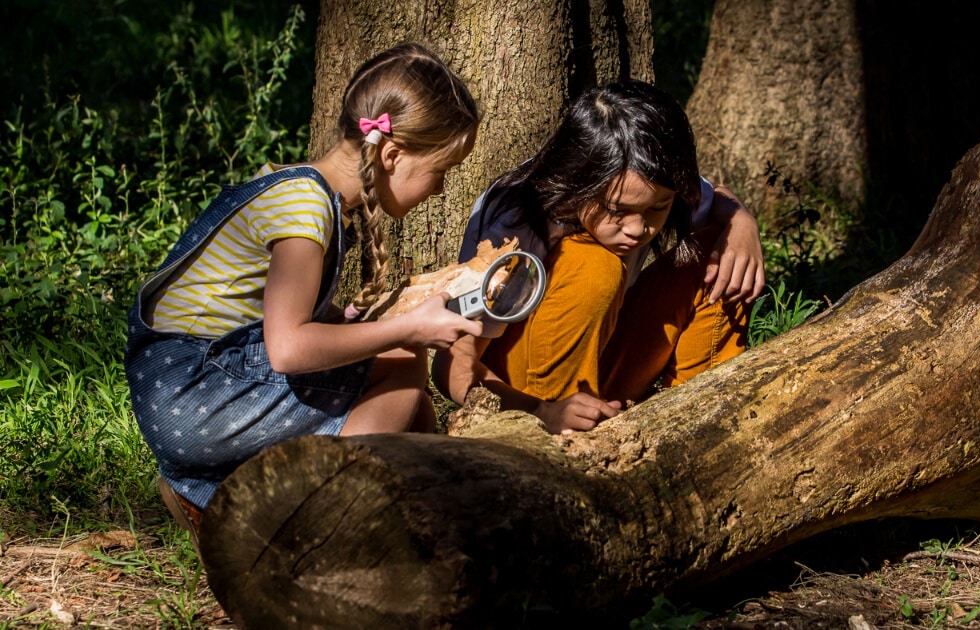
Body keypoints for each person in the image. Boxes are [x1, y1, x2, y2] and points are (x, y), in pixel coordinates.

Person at [124, 43, 483, 535]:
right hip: (193, 391)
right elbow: (289, 349)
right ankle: (317, 526)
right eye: (440, 173)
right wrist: (408, 328)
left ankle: (212, 498)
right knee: (402, 363)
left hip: (179, 392)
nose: (440, 190)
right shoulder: (305, 211)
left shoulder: (293, 187)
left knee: (414, 411)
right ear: (393, 155)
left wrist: (360, 322)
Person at [432, 80, 764, 435]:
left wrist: (741, 222)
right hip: (531, 397)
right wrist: (539, 412)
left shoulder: (651, 175)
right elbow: (453, 363)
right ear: (577, 181)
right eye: (617, 210)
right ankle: (565, 442)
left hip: (602, 363)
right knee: (593, 266)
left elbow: (717, 199)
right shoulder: (518, 220)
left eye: (658, 208)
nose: (637, 229)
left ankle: (693, 425)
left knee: (721, 251)